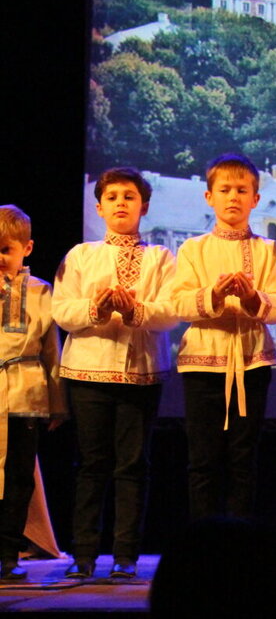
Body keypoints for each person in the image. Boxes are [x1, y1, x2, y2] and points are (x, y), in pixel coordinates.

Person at [52, 169, 178, 579]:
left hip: (140, 373)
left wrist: (135, 310)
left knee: (132, 465)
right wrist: (98, 308)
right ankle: (84, 554)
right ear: (99, 207)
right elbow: (62, 310)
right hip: (88, 371)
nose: (121, 202)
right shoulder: (81, 255)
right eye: (112, 196)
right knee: (91, 465)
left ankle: (126, 555)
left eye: (129, 196)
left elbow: (170, 312)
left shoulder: (161, 257)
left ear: (144, 205)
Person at [169, 154, 276, 520]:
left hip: (252, 365)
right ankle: (201, 546)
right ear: (209, 197)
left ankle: (239, 549)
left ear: (256, 198)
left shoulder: (268, 250)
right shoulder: (194, 249)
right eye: (224, 190)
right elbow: (178, 304)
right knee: (202, 461)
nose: (233, 197)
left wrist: (253, 298)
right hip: (202, 367)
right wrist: (216, 296)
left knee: (243, 460)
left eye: (242, 190)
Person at [0, 206, 65, 581]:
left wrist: (58, 404)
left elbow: (51, 349)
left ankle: (10, 552)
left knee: (19, 477)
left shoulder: (41, 290)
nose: (0, 258)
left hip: (26, 394)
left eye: (6, 249)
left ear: (27, 248)